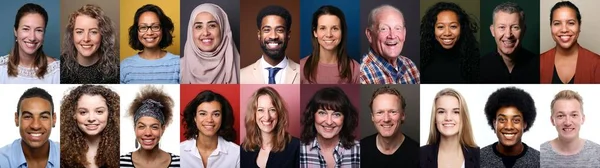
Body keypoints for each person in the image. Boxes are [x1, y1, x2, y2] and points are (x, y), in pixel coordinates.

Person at [60, 85, 120, 167]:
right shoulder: (60, 154)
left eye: (99, 111)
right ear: (74, 115)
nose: (91, 118)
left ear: (110, 114)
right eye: (83, 112)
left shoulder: (120, 152)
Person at [540, 1, 600, 84]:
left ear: (579, 26)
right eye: (557, 23)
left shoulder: (597, 63)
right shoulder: (537, 63)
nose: (564, 30)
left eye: (571, 23)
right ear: (551, 26)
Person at [120, 85, 180, 167]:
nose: (148, 133)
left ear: (162, 129)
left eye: (154, 127)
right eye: (141, 126)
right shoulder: (120, 163)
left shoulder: (179, 163)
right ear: (135, 128)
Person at [420, 2, 480, 83]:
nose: (447, 33)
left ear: (461, 28)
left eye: (453, 26)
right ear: (432, 30)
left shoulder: (475, 59)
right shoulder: (421, 59)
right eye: (440, 27)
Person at [300, 87, 359, 167]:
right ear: (312, 116)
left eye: (336, 114)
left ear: (345, 118)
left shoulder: (359, 150)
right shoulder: (299, 150)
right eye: (322, 113)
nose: (329, 122)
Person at [0, 3, 59, 84]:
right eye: (25, 29)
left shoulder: (56, 71)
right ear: (15, 31)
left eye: (38, 30)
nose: (32, 38)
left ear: (44, 34)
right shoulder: (1, 68)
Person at [481, 2, 539, 84]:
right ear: (492, 31)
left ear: (524, 31)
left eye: (515, 27)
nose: (508, 35)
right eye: (502, 27)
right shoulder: (478, 67)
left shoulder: (540, 66)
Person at [181, 3, 240, 84]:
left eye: (212, 26)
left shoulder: (240, 68)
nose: (205, 33)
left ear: (222, 29)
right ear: (191, 32)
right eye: (199, 27)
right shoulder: (178, 68)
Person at [241, 87, 300, 168]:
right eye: (261, 110)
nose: (267, 117)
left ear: (279, 113)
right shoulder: (244, 149)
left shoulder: (297, 147)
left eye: (272, 110)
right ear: (253, 115)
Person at [120, 4, 180, 84]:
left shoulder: (178, 63)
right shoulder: (125, 66)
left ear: (163, 30)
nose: (149, 33)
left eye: (155, 27)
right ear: (136, 31)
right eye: (143, 27)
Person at [0, 87, 59, 167]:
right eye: (27, 116)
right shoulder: (2, 159)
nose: (35, 126)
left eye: (44, 117)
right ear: (16, 119)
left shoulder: (68, 154)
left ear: (54, 119)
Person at [481, 87, 539, 168]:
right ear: (494, 123)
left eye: (516, 120)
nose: (509, 126)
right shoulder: (478, 158)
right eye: (502, 120)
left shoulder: (539, 160)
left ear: (524, 123)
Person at [240, 5, 300, 84]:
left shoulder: (303, 73)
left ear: (288, 34)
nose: (273, 36)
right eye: (267, 30)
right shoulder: (241, 75)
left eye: (280, 30)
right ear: (259, 34)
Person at [360, 4, 419, 84]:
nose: (392, 36)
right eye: (384, 29)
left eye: (397, 28)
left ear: (404, 33)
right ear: (370, 35)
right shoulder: (362, 75)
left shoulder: (410, 65)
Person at [60, 4, 119, 84]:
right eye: (79, 32)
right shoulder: (59, 66)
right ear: (72, 35)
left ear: (102, 35)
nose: (86, 39)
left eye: (93, 32)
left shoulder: (117, 70)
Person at [420, 88, 479, 168]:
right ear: (435, 118)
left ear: (463, 117)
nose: (448, 118)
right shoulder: (420, 155)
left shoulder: (480, 156)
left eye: (456, 112)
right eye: (441, 112)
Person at [361, 86, 418, 167]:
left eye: (393, 112)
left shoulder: (418, 154)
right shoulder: (360, 149)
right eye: (380, 112)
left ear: (403, 115)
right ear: (372, 117)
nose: (386, 119)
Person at [301, 5, 359, 84]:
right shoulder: (300, 67)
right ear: (315, 32)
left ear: (342, 32)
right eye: (323, 28)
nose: (329, 34)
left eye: (335, 28)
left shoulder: (356, 69)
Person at [540, 90, 600, 167]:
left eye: (574, 115)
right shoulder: (539, 154)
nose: (568, 123)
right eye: (561, 116)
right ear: (552, 121)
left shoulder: (597, 153)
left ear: (583, 119)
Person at [180, 90, 239, 168]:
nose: (209, 120)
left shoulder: (237, 153)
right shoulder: (179, 151)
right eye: (203, 114)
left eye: (216, 114)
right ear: (194, 117)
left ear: (222, 118)